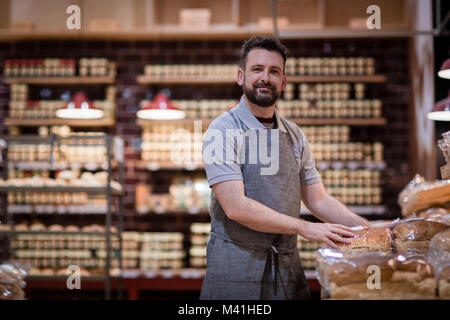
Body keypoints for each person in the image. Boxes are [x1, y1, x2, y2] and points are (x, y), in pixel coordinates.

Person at [200, 36, 375, 300]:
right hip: (235, 269)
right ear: (240, 76)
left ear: (283, 81)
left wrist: (367, 230)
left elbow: (318, 199)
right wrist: (304, 227)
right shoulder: (223, 130)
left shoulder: (294, 135)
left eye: (274, 71)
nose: (265, 78)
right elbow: (235, 206)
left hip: (286, 269)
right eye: (257, 69)